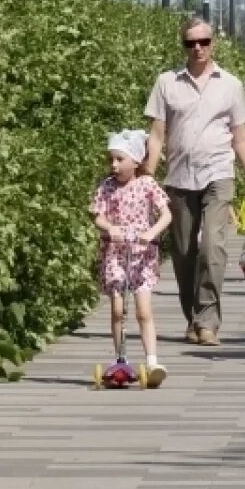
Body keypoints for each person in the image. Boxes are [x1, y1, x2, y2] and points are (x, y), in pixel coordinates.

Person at [144, 17, 245, 347]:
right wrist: (146, 180)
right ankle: (193, 318)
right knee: (184, 253)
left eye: (204, 42)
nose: (198, 48)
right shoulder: (167, 82)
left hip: (218, 173)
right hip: (180, 176)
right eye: (190, 43)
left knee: (212, 247)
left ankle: (208, 321)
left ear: (213, 43)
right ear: (183, 45)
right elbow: (157, 135)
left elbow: (241, 138)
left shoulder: (231, 84)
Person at [90, 130, 173, 387]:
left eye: (119, 159)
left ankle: (152, 361)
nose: (114, 165)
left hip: (142, 254)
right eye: (111, 159)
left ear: (136, 161)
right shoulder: (107, 187)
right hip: (116, 253)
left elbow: (166, 215)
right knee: (117, 309)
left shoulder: (147, 185)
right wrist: (109, 228)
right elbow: (97, 215)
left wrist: (151, 233)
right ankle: (121, 357)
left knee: (143, 311)